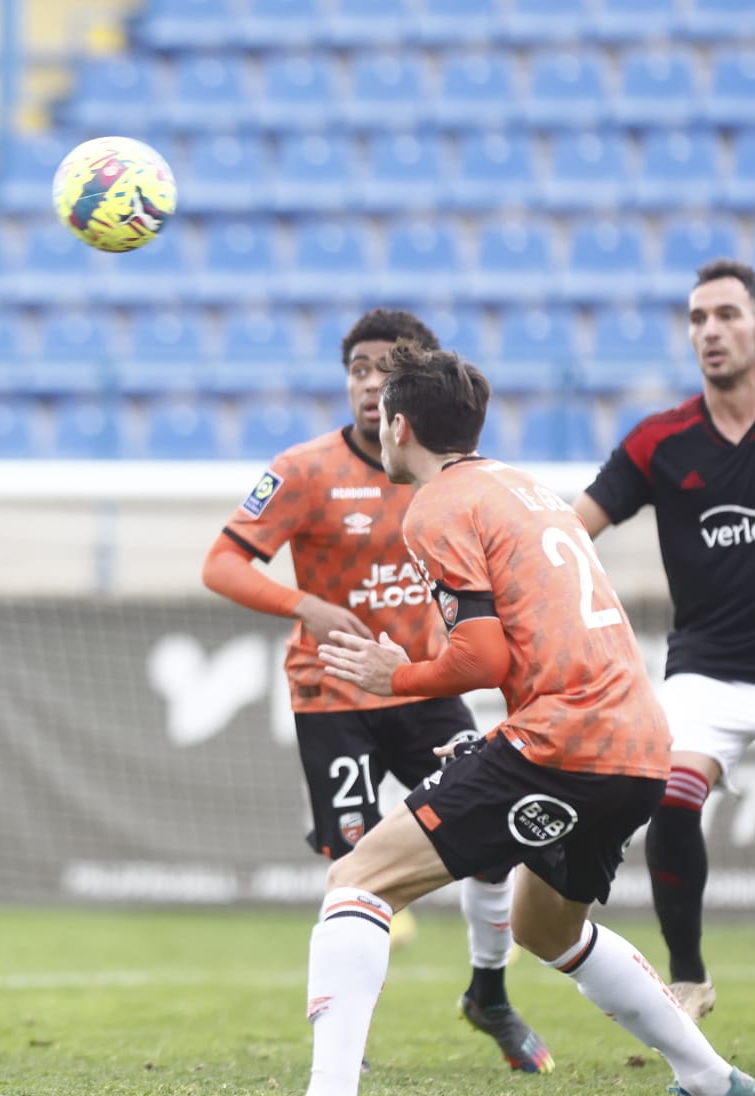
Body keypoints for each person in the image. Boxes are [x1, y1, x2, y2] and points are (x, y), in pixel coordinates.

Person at [309, 344, 755, 1096]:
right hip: (641, 745)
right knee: (545, 929)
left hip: (567, 739)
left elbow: (482, 656)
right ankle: (713, 1080)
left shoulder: (438, 505)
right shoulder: (526, 490)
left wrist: (402, 676)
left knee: (358, 879)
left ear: (398, 427)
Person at [201, 309, 549, 1073]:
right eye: (358, 367)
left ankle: (488, 993)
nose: (368, 382)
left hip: (425, 686)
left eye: (385, 369)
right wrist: (305, 606)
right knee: (361, 870)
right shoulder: (303, 471)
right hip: (335, 696)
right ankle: (341, 1057)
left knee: (494, 844)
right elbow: (220, 565)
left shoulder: (453, 477)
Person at [574, 259, 755, 1022]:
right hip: (709, 671)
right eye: (697, 319)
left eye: (726, 315)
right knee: (671, 792)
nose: (710, 332)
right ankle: (689, 982)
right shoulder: (660, 441)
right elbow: (573, 533)